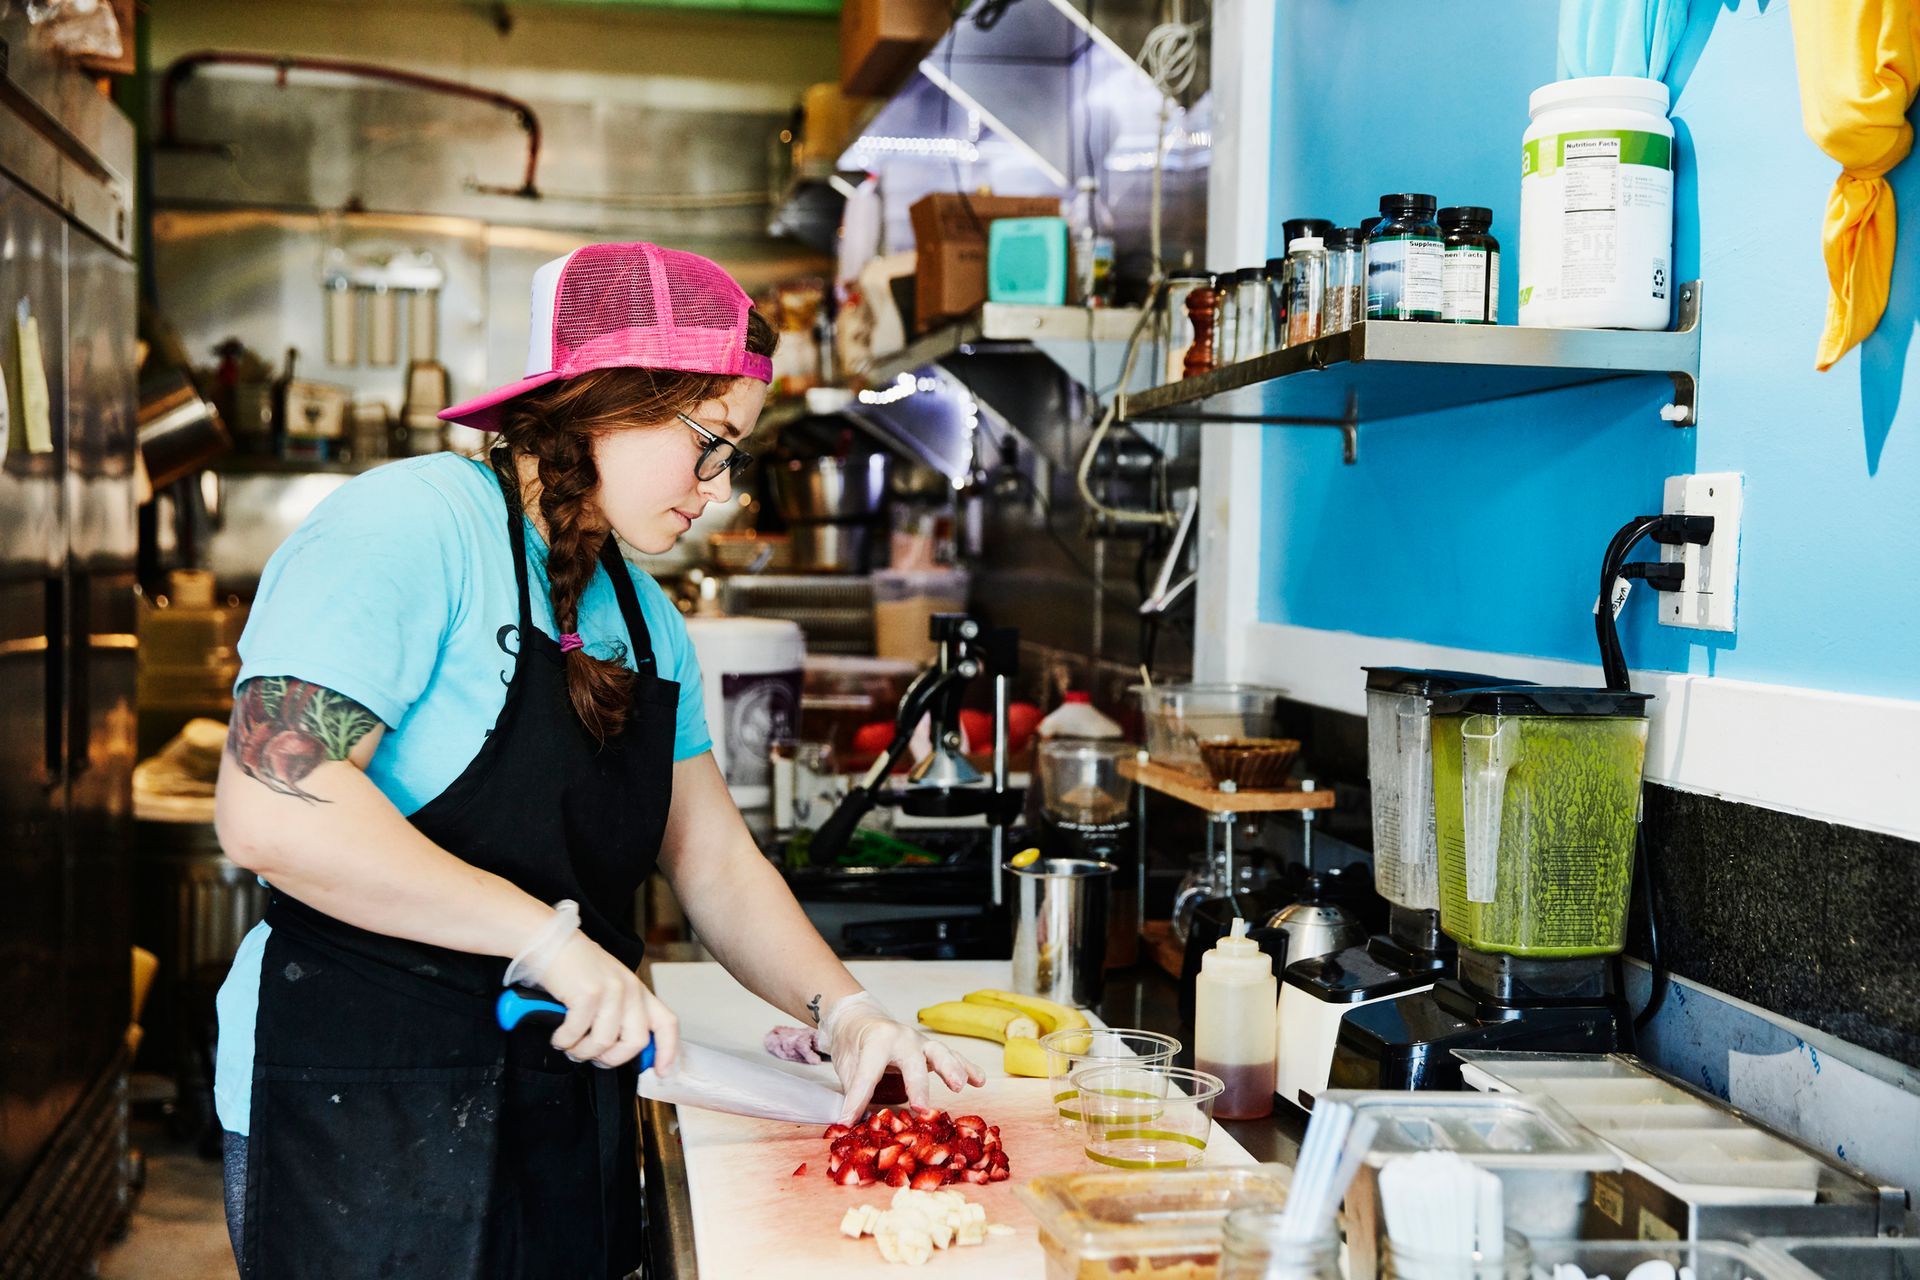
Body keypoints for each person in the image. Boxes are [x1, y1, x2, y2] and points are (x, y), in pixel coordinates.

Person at [211, 242, 984, 1279]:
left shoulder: (644, 616)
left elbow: (712, 860)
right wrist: (547, 940)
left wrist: (844, 1011)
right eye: (707, 443)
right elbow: (273, 806)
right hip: (363, 1092)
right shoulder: (414, 524)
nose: (715, 491)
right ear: (602, 402)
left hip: (559, 1096)